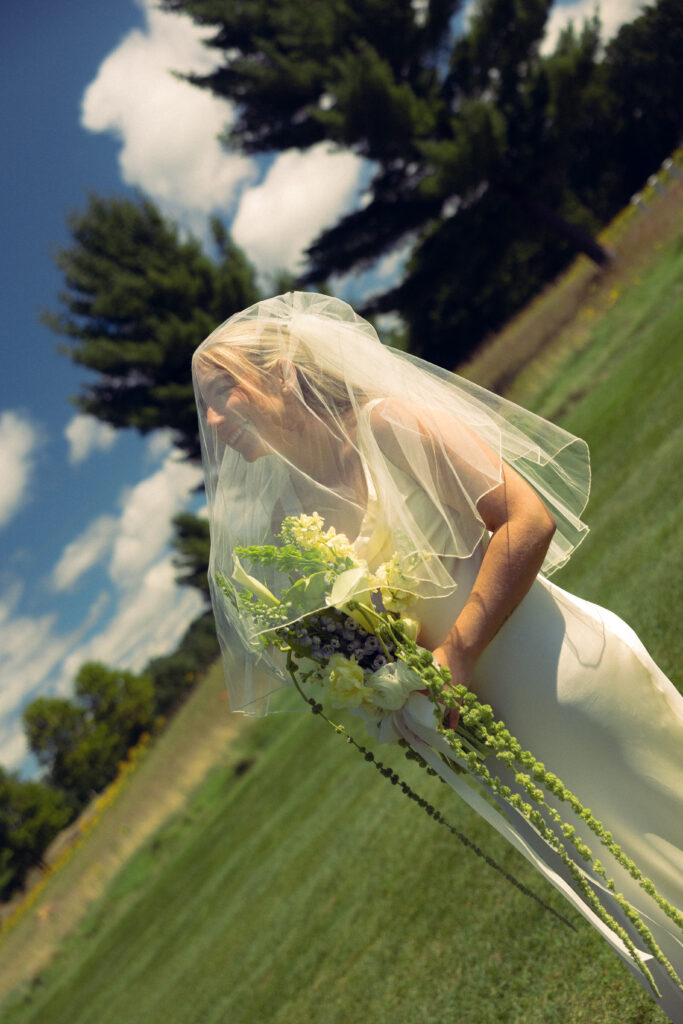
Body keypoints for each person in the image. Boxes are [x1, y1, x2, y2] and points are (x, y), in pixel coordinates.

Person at [192, 291, 683, 1021]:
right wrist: (385, 694)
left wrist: (455, 651)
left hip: (557, 676)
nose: (210, 420)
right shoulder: (283, 520)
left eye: (220, 391)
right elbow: (356, 643)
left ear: (283, 371)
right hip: (478, 729)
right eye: (202, 406)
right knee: (616, 887)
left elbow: (526, 519)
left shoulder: (390, 425)